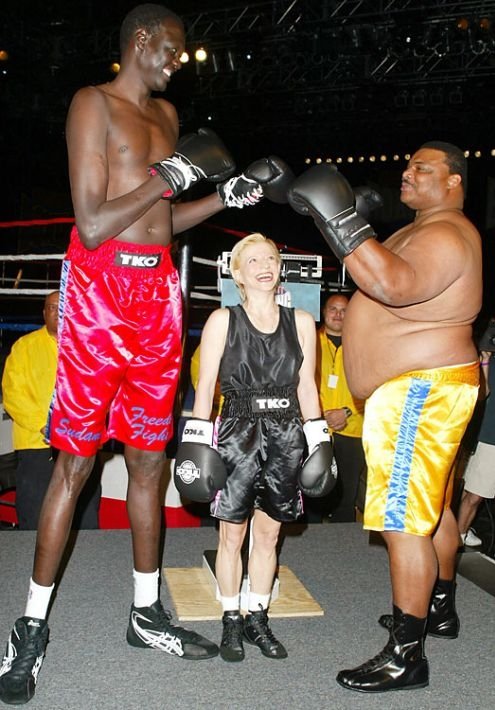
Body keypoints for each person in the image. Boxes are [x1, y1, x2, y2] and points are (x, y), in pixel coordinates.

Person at [0, 5, 294, 706]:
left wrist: (222, 193)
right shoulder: (91, 104)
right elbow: (96, 220)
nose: (175, 64)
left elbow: (163, 218)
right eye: (170, 51)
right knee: (74, 461)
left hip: (159, 294)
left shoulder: (165, 118)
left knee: (148, 460)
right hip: (101, 288)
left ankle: (144, 610)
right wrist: (171, 173)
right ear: (141, 41)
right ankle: (31, 628)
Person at [288, 141, 482, 692]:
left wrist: (341, 215)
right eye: (409, 164)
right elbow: (379, 272)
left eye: (425, 167)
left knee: (402, 520)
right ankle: (437, 610)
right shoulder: (421, 230)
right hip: (422, 390)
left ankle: (406, 655)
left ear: (454, 183)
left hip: (420, 391)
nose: (409, 172)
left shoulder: (446, 233)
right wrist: (318, 215)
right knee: (431, 510)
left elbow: (393, 285)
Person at [180, 233, 331, 662]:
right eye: (254, 261)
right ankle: (230, 617)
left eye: (271, 259)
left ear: (280, 268)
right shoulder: (222, 321)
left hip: (286, 433)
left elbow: (307, 387)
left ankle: (257, 617)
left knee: (269, 535)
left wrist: (318, 439)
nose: (264, 265)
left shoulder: (302, 321)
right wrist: (195, 443)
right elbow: (205, 386)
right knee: (232, 533)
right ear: (238, 273)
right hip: (237, 431)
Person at [1, 291, 100, 530]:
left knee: (84, 513)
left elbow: (99, 389)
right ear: (44, 313)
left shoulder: (87, 347)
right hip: (37, 445)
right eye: (51, 307)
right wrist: (46, 423)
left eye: (62, 306)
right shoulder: (24, 347)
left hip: (80, 444)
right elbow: (13, 394)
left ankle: (90, 565)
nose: (57, 311)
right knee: (34, 515)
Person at [316, 293, 365, 522]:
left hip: (352, 429)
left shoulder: (364, 347)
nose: (338, 314)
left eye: (344, 310)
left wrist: (346, 411)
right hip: (315, 428)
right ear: (323, 312)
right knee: (312, 491)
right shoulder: (309, 342)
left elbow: (374, 386)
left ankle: (342, 551)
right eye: (332, 309)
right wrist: (317, 416)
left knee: (345, 495)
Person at [457, 347, 495, 547]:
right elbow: (482, 393)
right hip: (491, 437)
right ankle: (459, 534)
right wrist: (484, 362)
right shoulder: (490, 361)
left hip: (484, 434)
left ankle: (460, 531)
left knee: (472, 489)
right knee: (476, 494)